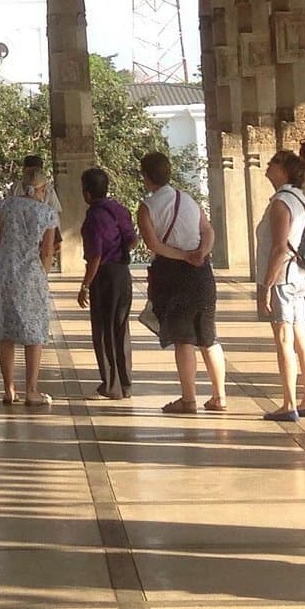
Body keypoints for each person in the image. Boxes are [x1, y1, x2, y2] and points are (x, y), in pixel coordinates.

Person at [136, 151, 227, 414]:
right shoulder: (188, 200)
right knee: (208, 336)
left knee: (184, 339)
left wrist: (184, 256)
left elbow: (154, 244)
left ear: (146, 177)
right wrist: (200, 253)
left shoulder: (147, 207)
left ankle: (188, 399)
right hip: (202, 273)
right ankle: (219, 396)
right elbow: (208, 230)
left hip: (172, 274)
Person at [0, 160, 60, 407]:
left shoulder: (6, 206)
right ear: (42, 189)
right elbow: (47, 251)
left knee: (5, 330)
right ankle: (32, 390)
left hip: (4, 272)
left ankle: (8, 389)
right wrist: (42, 275)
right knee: (34, 332)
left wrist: (5, 247)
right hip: (30, 274)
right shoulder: (47, 213)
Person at [254, 152, 305, 422]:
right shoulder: (298, 198)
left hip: (283, 278)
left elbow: (280, 248)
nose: (268, 167)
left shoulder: (281, 202)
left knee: (284, 339)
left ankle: (289, 402)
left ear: (284, 171)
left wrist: (266, 286)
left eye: (273, 163)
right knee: (300, 336)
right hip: (299, 276)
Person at [74, 167, 137, 400]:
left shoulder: (94, 218)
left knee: (103, 332)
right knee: (121, 329)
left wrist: (85, 286)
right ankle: (126, 383)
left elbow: (95, 257)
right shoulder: (119, 209)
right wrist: (119, 251)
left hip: (105, 277)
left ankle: (110, 385)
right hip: (123, 274)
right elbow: (133, 240)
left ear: (87, 193)